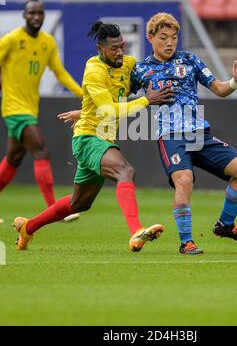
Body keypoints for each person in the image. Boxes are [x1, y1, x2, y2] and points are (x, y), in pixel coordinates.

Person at [13, 21, 174, 252]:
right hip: (88, 138)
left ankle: (28, 227)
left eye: (122, 46)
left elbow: (122, 91)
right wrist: (147, 100)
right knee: (125, 171)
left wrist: (84, 110)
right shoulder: (93, 70)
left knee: (80, 203)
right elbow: (108, 109)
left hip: (104, 139)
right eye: (114, 48)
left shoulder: (128, 63)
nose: (120, 52)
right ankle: (136, 231)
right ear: (100, 49)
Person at [130, 12, 237, 255]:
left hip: (199, 135)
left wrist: (234, 82)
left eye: (174, 38)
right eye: (163, 37)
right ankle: (186, 242)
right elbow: (120, 97)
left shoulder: (190, 60)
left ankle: (225, 226)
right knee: (184, 180)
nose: (169, 43)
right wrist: (145, 99)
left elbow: (219, 89)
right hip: (171, 136)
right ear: (150, 37)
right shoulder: (141, 69)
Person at [0, 0, 82, 222]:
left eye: (40, 13)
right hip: (14, 107)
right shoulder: (11, 40)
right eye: (32, 13)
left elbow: (60, 72)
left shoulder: (47, 42)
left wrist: (83, 95)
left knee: (14, 158)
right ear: (25, 16)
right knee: (41, 149)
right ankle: (55, 208)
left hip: (30, 107)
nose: (37, 17)